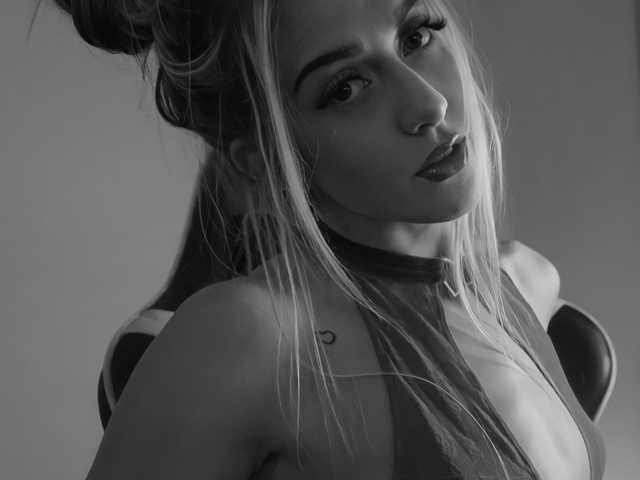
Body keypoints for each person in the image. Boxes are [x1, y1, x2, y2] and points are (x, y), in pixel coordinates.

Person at [41, 0, 607, 478]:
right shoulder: (248, 340)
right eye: (346, 88)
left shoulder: (528, 281)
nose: (428, 105)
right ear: (262, 157)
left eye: (416, 36)